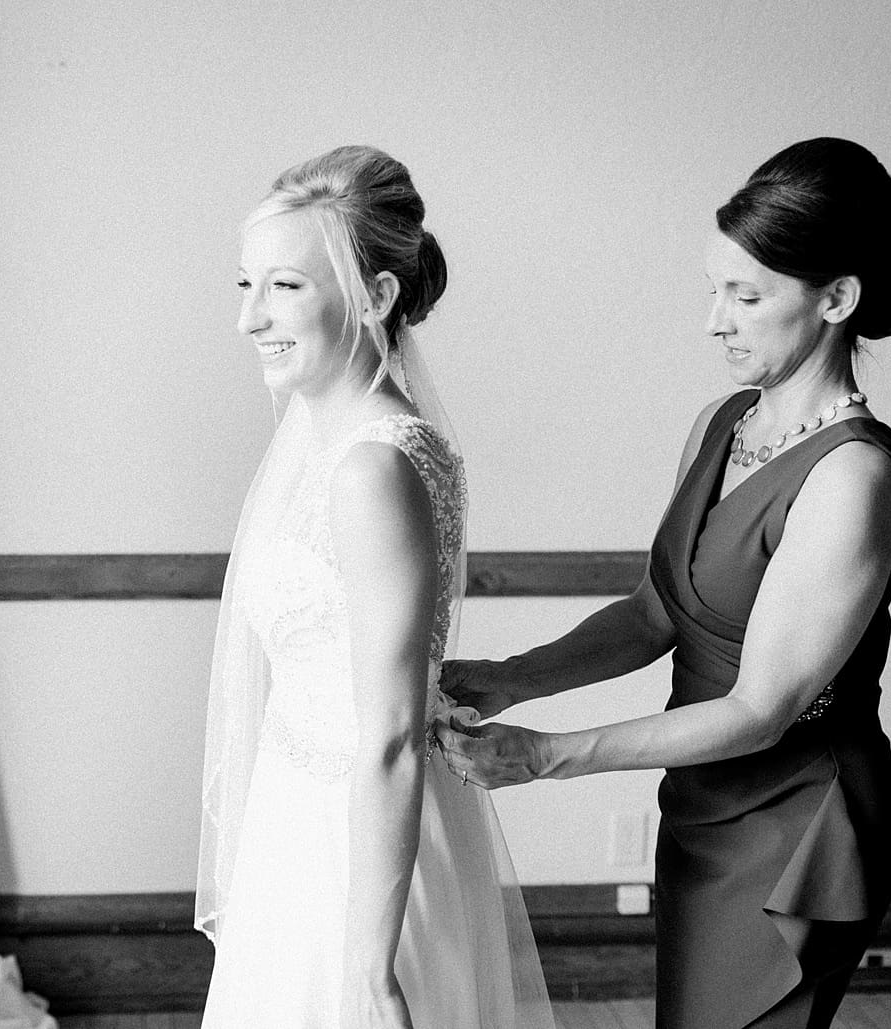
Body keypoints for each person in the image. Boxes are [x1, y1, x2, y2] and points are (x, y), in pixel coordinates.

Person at [435, 137, 891, 1029]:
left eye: (746, 295)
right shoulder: (721, 421)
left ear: (836, 298)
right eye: (713, 290)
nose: (715, 321)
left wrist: (544, 754)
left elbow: (759, 711)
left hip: (800, 827)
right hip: (703, 804)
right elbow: (656, 611)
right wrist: (510, 676)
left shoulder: (852, 478)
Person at [196, 145, 552, 1029]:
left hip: (358, 852)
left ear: (376, 295)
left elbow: (389, 735)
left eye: (283, 286)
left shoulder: (372, 466)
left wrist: (370, 968)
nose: (248, 318)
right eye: (245, 285)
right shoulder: (332, 443)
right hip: (297, 817)